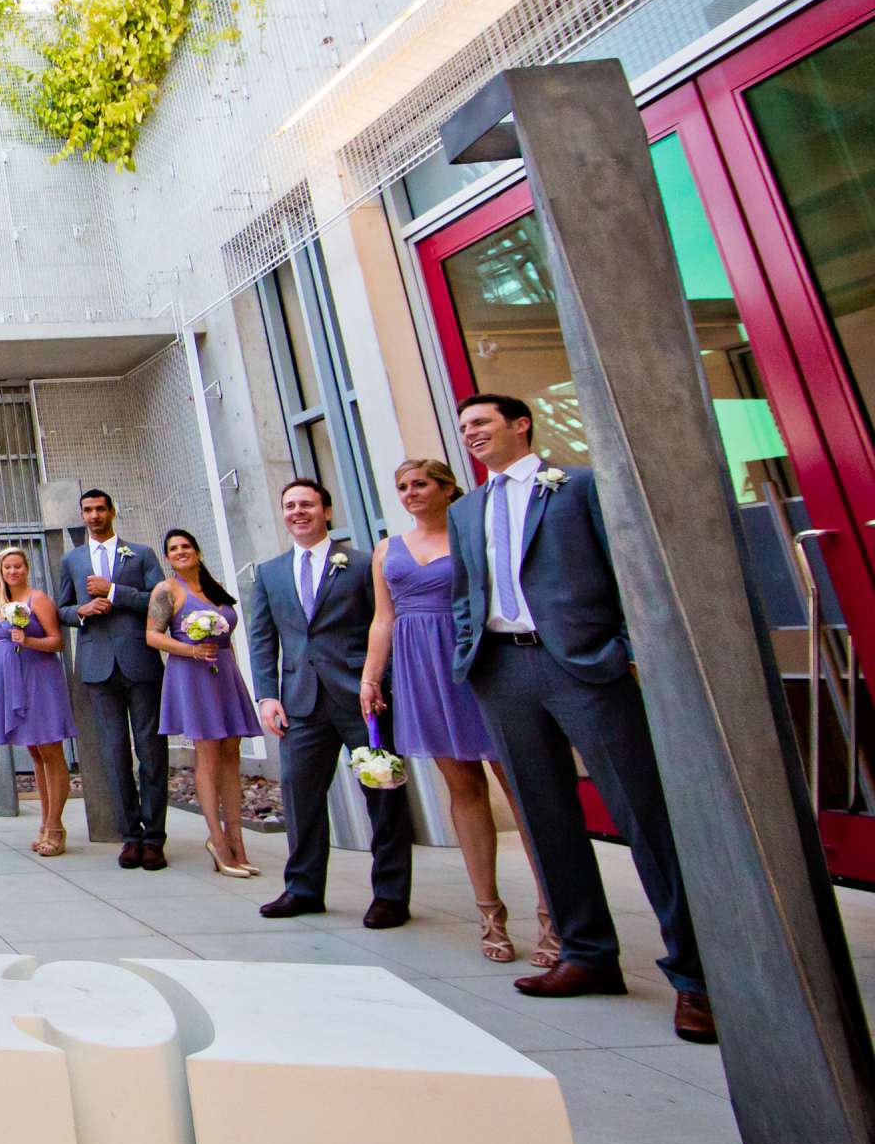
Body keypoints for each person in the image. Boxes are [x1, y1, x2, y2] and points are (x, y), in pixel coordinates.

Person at [449, 394, 713, 1043]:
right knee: (543, 817)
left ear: (520, 425)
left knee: (641, 815)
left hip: (585, 667)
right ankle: (587, 955)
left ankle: (697, 978)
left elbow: (628, 567)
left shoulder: (577, 486)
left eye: (481, 423)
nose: (471, 435)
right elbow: (466, 590)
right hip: (503, 670)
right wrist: (469, 654)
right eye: (462, 429)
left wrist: (624, 648)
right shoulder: (465, 509)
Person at [362, 459, 551, 964]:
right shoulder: (387, 549)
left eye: (420, 484)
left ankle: (553, 912)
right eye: (401, 486)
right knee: (462, 787)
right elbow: (384, 618)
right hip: (419, 669)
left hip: (475, 662)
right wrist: (371, 677)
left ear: (447, 489)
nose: (409, 493)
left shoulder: (475, 536)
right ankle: (490, 913)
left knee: (517, 785)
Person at [248, 478, 413, 927]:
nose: (297, 512)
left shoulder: (360, 565)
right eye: (289, 505)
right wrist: (267, 695)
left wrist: (380, 683)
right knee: (301, 798)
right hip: (300, 703)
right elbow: (263, 640)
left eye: (306, 504)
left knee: (383, 796)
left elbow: (384, 627)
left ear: (326, 510)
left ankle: (391, 896)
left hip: (362, 698)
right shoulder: (270, 573)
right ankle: (303, 888)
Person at [56, 490, 169, 869]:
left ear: (112, 512)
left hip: (140, 661)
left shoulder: (141, 554)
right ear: (82, 515)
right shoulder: (71, 559)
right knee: (114, 751)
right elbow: (62, 610)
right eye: (87, 510)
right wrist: (84, 610)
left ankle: (155, 836)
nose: (94, 515)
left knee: (151, 750)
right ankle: (129, 834)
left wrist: (116, 593)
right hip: (97, 665)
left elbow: (160, 600)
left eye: (100, 509)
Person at [147, 529, 257, 878]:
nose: (180, 552)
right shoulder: (166, 590)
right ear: (168, 557)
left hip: (224, 672)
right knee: (207, 751)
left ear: (197, 551)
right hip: (191, 673)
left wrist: (235, 672)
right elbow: (152, 636)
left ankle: (237, 838)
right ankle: (217, 840)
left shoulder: (214, 589)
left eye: (185, 546)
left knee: (232, 751)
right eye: (173, 549)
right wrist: (191, 649)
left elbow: (228, 637)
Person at [0, 548, 72, 855]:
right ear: (1, 571)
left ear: (26, 568)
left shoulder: (38, 599)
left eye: (18, 566)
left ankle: (56, 826)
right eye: (8, 567)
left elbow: (57, 640)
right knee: (35, 752)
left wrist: (29, 641)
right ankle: (45, 823)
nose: (13, 571)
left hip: (39, 680)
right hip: (13, 683)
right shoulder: (0, 604)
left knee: (50, 749)